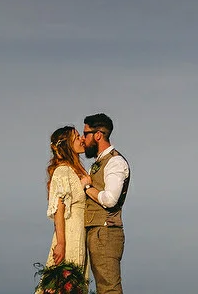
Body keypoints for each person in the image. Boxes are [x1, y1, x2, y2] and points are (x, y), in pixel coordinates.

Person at [77, 113, 129, 294]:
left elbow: (110, 199)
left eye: (86, 134)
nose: (82, 139)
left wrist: (87, 187)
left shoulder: (115, 161)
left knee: (109, 288)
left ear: (98, 135)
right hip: (98, 231)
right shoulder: (99, 163)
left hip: (106, 231)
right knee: (103, 287)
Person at [44, 126, 90, 272]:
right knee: (67, 277)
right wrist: (61, 243)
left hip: (79, 231)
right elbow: (59, 208)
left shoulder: (73, 171)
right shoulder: (63, 171)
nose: (82, 139)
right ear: (68, 145)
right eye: (77, 137)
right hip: (70, 233)